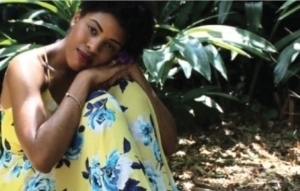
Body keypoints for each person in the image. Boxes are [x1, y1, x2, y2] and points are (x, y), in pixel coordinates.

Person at [0, 1, 178, 190]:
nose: (94, 47)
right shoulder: (27, 67)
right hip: (28, 180)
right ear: (76, 18)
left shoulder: (105, 76)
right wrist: (83, 81)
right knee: (101, 107)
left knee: (130, 91)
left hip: (82, 178)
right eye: (93, 30)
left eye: (109, 46)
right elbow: (41, 158)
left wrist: (136, 74)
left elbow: (169, 144)